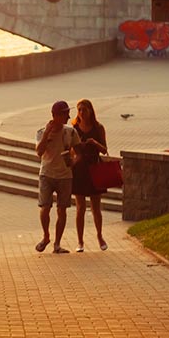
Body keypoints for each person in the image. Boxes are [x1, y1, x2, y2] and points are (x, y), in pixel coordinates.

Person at [35, 100, 81, 254]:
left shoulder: (71, 131)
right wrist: (47, 133)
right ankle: (46, 236)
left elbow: (79, 152)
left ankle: (57, 244)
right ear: (55, 115)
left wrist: (73, 161)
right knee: (45, 207)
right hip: (47, 174)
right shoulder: (42, 132)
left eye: (68, 113)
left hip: (65, 175)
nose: (68, 116)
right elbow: (39, 152)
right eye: (65, 113)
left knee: (62, 210)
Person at [71, 99, 109, 252]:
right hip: (79, 170)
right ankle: (80, 241)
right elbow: (71, 150)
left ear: (91, 111)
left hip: (94, 168)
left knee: (96, 207)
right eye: (79, 110)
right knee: (80, 208)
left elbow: (105, 149)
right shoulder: (74, 129)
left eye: (84, 110)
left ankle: (100, 236)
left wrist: (94, 143)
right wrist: (77, 146)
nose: (81, 113)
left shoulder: (98, 127)